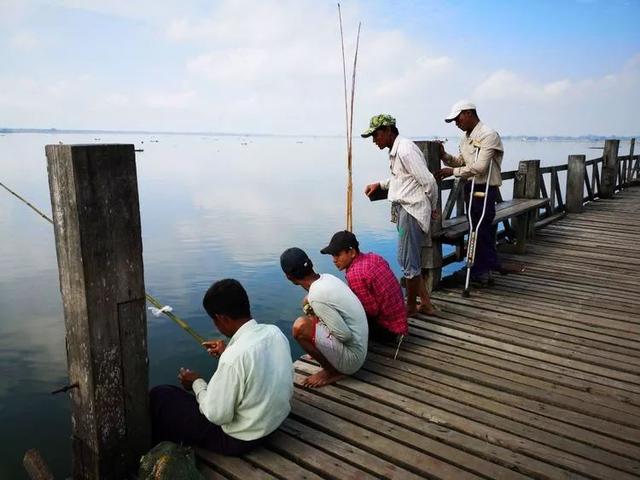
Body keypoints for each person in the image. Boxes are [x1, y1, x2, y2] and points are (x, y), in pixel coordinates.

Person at [149, 278, 294, 455]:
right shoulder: (274, 332)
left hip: (240, 440)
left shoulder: (233, 358)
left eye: (214, 320)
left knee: (161, 396)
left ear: (221, 318)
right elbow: (255, 367)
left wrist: (196, 382)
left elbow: (216, 416)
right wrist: (227, 351)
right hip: (274, 423)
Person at [362, 114, 439, 315]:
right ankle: (426, 304)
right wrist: (380, 184)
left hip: (411, 210)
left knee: (408, 262)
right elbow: (401, 179)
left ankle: (411, 307)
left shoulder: (404, 149)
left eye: (376, 135)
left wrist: (432, 208)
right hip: (406, 209)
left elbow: (429, 181)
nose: (374, 140)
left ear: (388, 130)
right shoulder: (397, 150)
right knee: (408, 259)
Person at [436, 100, 504, 282]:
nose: (456, 123)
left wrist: (453, 172)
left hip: (484, 187)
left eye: (457, 119)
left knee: (482, 229)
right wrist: (444, 156)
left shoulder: (489, 135)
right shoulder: (465, 138)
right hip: (470, 187)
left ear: (468, 113)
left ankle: (483, 269)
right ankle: (480, 267)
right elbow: (462, 162)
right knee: (474, 228)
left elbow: (480, 167)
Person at [280, 247, 368, 388]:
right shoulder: (327, 277)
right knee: (307, 302)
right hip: (361, 345)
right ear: (310, 264)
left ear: (288, 276)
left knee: (300, 327)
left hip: (353, 360)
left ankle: (331, 371)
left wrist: (318, 332)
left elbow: (344, 335)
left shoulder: (317, 295)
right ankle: (325, 352)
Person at [320, 230, 408, 342]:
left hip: (389, 331)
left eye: (338, 255)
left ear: (351, 252)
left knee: (340, 316)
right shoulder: (373, 257)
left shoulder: (355, 274)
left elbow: (371, 311)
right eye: (333, 255)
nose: (334, 260)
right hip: (400, 322)